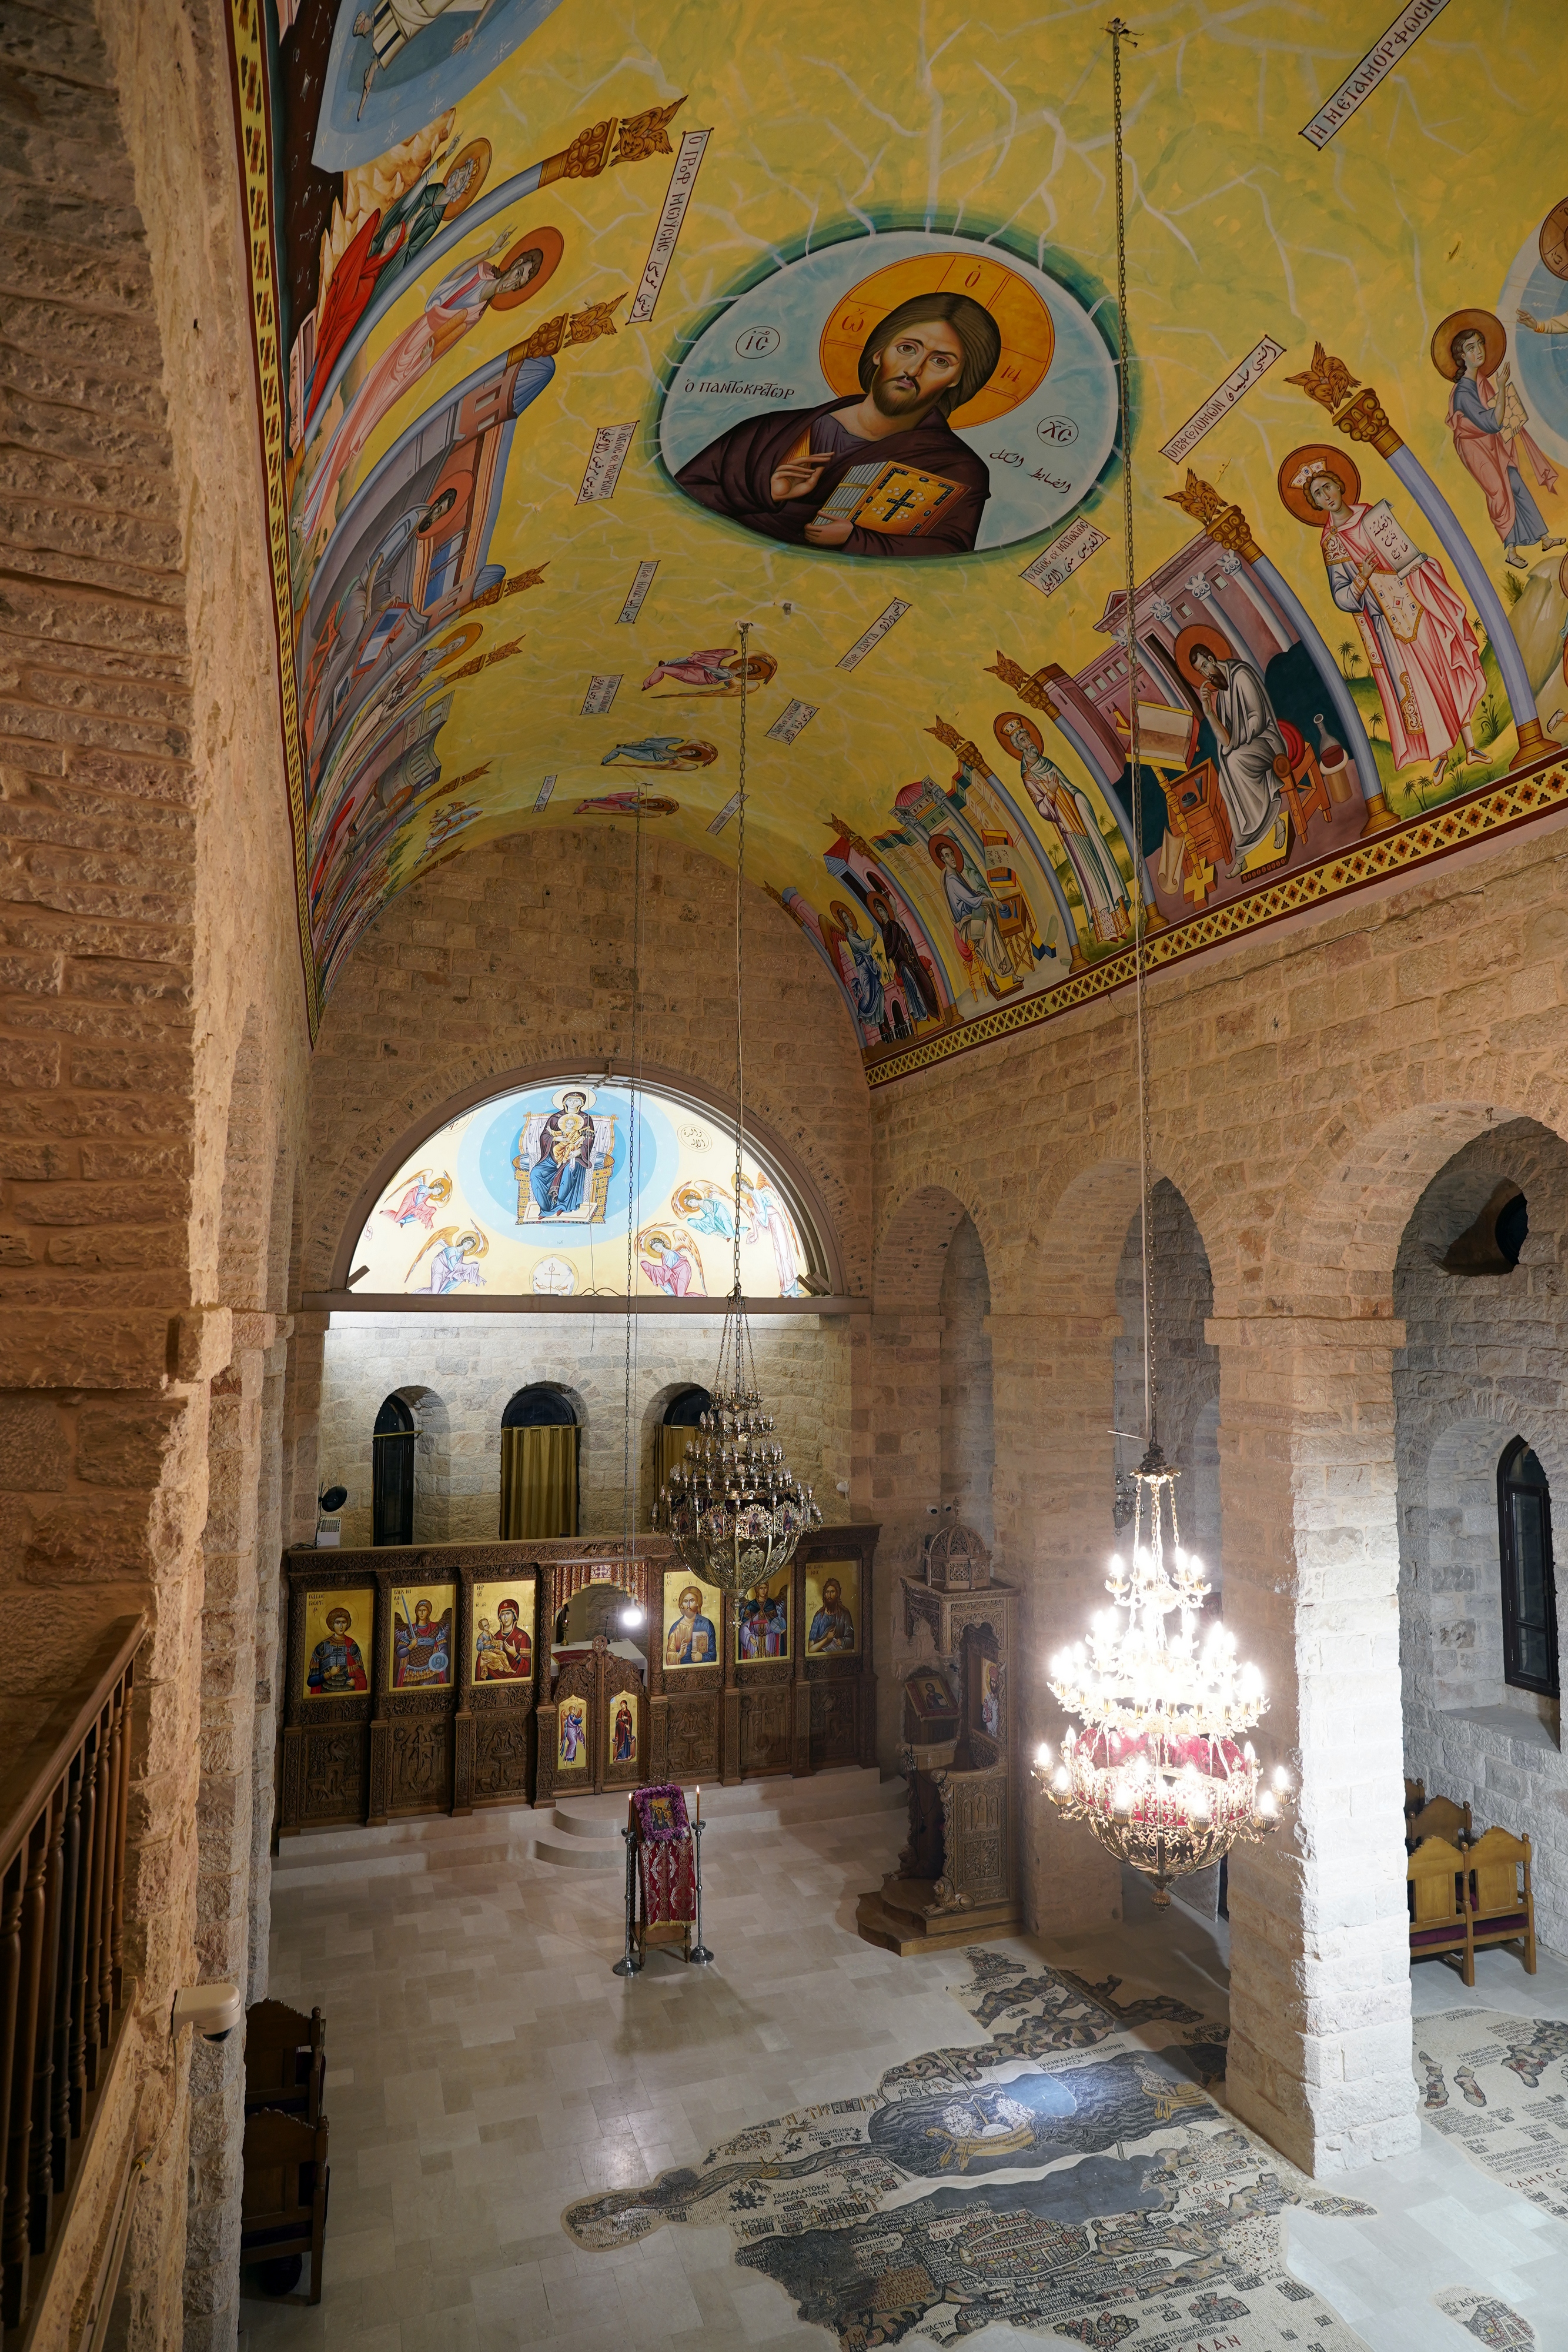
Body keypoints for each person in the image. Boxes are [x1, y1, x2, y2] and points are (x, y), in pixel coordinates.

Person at [675, 293, 999, 557]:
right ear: (878, 352)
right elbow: (678, 504)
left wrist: (856, 540)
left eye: (940, 361)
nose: (913, 369)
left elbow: (949, 559)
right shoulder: (769, 432)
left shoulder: (956, 470)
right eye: (906, 349)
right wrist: (767, 494)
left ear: (957, 379)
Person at [1300, 459, 1485, 786]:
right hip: (1386, 626)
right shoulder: (1332, 544)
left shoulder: (1372, 515)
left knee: (1444, 667)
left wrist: (1416, 563)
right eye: (1318, 494)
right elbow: (1342, 598)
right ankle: (1442, 756)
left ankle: (1471, 746)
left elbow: (1401, 548)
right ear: (1315, 504)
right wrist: (1363, 576)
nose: (1326, 495)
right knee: (1418, 686)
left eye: (1327, 486)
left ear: (1340, 485)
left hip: (1414, 603)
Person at [993, 713, 1132, 942]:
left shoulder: (1048, 763)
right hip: (1067, 827)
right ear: (1019, 748)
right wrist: (1051, 792)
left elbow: (1070, 785)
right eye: (1025, 741)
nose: (1031, 744)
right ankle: (1107, 931)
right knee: (1091, 876)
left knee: (1102, 865)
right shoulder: (1028, 777)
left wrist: (1078, 797)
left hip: (1080, 819)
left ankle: (1121, 922)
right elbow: (1043, 810)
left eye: (1029, 738)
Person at [1445, 325, 1562, 568]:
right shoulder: (1463, 393)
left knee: (1515, 483)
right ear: (1462, 357)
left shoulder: (1482, 382)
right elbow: (1492, 422)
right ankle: (1510, 551)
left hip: (1492, 444)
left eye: (1480, 344)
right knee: (1499, 492)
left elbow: (1499, 416)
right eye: (1471, 348)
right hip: (1475, 450)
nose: (1478, 351)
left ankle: (1544, 538)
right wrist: (1502, 389)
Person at [1186, 644, 1287, 878]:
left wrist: (1234, 745)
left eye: (1205, 666)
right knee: (1224, 780)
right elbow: (1225, 739)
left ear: (1212, 658)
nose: (1206, 674)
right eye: (1201, 672)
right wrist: (1209, 713)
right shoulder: (1220, 698)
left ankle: (1274, 823)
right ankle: (1243, 851)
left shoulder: (1241, 675)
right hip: (1245, 750)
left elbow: (1257, 720)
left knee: (1234, 762)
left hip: (1267, 742)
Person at [929, 834, 1017, 998]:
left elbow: (971, 894)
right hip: (965, 924)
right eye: (947, 856)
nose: (952, 858)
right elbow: (970, 900)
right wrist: (991, 900)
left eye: (952, 854)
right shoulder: (951, 879)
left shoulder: (956, 874)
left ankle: (1005, 972)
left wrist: (982, 897)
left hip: (973, 916)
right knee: (988, 924)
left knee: (990, 923)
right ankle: (1000, 972)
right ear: (942, 859)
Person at [866, 889, 937, 1025]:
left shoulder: (896, 925)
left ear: (886, 911)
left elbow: (907, 940)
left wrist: (911, 954)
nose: (882, 913)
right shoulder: (885, 930)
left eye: (882, 910)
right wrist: (891, 965)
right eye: (879, 912)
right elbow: (888, 950)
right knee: (909, 979)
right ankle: (920, 1012)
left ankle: (931, 1009)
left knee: (923, 979)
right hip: (900, 963)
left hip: (910, 958)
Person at [525, 1091, 596, 1217]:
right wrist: (556, 1139)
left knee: (569, 1171)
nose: (573, 1103)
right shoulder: (555, 1118)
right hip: (552, 1157)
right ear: (564, 1102)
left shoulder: (586, 1119)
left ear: (582, 1103)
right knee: (535, 1173)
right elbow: (545, 1136)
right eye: (570, 1100)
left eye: (577, 1100)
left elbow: (588, 1139)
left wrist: (579, 1151)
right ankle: (546, 1208)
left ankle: (563, 1204)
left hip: (574, 1157)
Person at [307, 1605, 368, 1694]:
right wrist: (329, 1674)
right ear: (332, 1624)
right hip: (326, 1695)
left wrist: (355, 1682)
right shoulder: (322, 1647)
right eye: (337, 1623)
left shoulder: (352, 1647)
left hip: (349, 1695)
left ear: (347, 1624)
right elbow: (311, 1681)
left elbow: (361, 1677)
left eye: (344, 1622)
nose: (341, 1626)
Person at [394, 1595, 450, 1685]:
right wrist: (411, 1646)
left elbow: (443, 1647)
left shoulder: (435, 1629)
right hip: (411, 1673)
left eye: (424, 1610)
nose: (421, 1613)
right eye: (419, 1610)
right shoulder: (409, 1630)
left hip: (430, 1671)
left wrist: (438, 1661)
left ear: (428, 1612)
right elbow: (399, 1653)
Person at [666, 1584, 717, 1665]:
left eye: (692, 1601)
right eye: (686, 1602)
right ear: (682, 1605)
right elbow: (669, 1655)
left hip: (703, 1670)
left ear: (698, 1603)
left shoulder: (706, 1624)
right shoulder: (676, 1628)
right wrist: (679, 1655)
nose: (689, 1606)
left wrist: (702, 1657)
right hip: (681, 1672)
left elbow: (714, 1655)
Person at [808, 1577, 855, 1653]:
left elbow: (851, 1639)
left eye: (832, 1592)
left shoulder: (845, 1615)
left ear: (837, 1594)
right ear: (824, 1595)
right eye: (827, 1592)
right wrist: (827, 1639)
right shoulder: (819, 1617)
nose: (829, 1595)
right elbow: (811, 1649)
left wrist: (842, 1641)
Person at [612, 1698, 635, 1762]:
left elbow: (630, 1720)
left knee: (626, 1743)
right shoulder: (620, 1712)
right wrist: (625, 1725)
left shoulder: (628, 1712)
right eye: (621, 1705)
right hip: (621, 1731)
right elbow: (618, 1722)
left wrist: (627, 1718)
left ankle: (626, 1755)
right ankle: (620, 1756)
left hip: (626, 1732)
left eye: (623, 1705)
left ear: (626, 1705)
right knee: (621, 1742)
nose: (622, 1706)